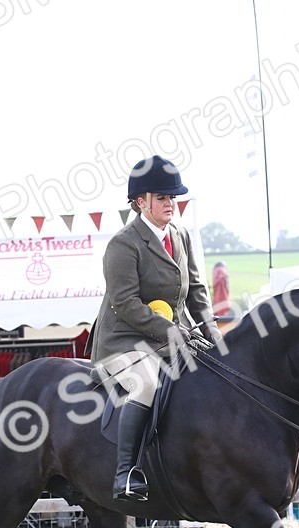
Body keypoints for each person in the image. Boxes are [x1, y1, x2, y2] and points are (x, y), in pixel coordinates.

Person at [89, 154, 221, 501]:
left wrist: (213, 333)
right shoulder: (124, 244)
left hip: (172, 338)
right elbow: (126, 303)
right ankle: (126, 475)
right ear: (140, 202)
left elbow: (196, 290)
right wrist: (171, 332)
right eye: (162, 198)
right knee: (147, 384)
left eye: (173, 198)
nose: (170, 204)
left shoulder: (180, 236)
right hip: (124, 343)